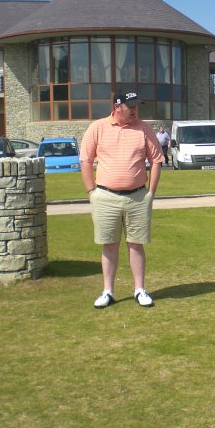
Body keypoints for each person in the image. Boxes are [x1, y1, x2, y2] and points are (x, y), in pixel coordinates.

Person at [80, 91, 163, 309]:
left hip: (137, 196)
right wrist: (91, 191)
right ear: (117, 107)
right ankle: (108, 291)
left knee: (136, 245)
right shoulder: (97, 127)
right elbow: (85, 159)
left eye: (137, 105)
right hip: (105, 196)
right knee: (109, 245)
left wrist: (150, 193)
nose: (135, 110)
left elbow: (156, 160)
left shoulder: (144, 128)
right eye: (130, 106)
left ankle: (139, 289)